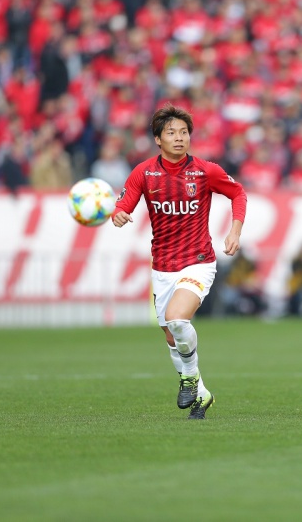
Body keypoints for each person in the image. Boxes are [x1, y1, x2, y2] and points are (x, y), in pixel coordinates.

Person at [112, 104, 247, 420]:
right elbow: (125, 203)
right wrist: (118, 213)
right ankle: (201, 395)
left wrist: (235, 231)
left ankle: (188, 379)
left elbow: (238, 193)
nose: (179, 138)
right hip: (162, 267)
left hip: (198, 261)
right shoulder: (144, 172)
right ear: (158, 139)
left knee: (177, 319)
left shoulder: (205, 171)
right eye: (171, 133)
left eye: (184, 132)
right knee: (173, 337)